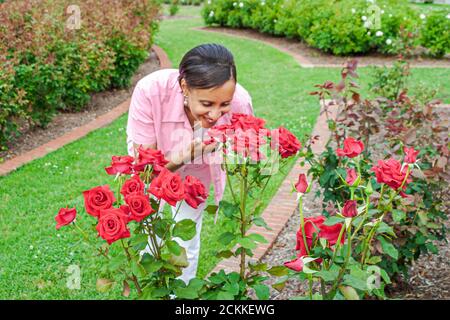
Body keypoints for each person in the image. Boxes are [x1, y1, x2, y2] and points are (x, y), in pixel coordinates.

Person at [126, 43, 254, 284]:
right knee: (148, 233)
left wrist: (232, 150)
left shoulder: (240, 101)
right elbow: (145, 172)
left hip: (198, 169)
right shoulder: (150, 91)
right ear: (185, 86)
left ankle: (181, 297)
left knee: (186, 237)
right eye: (207, 104)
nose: (216, 115)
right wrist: (180, 159)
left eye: (223, 104)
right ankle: (155, 289)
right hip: (153, 157)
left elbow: (246, 149)